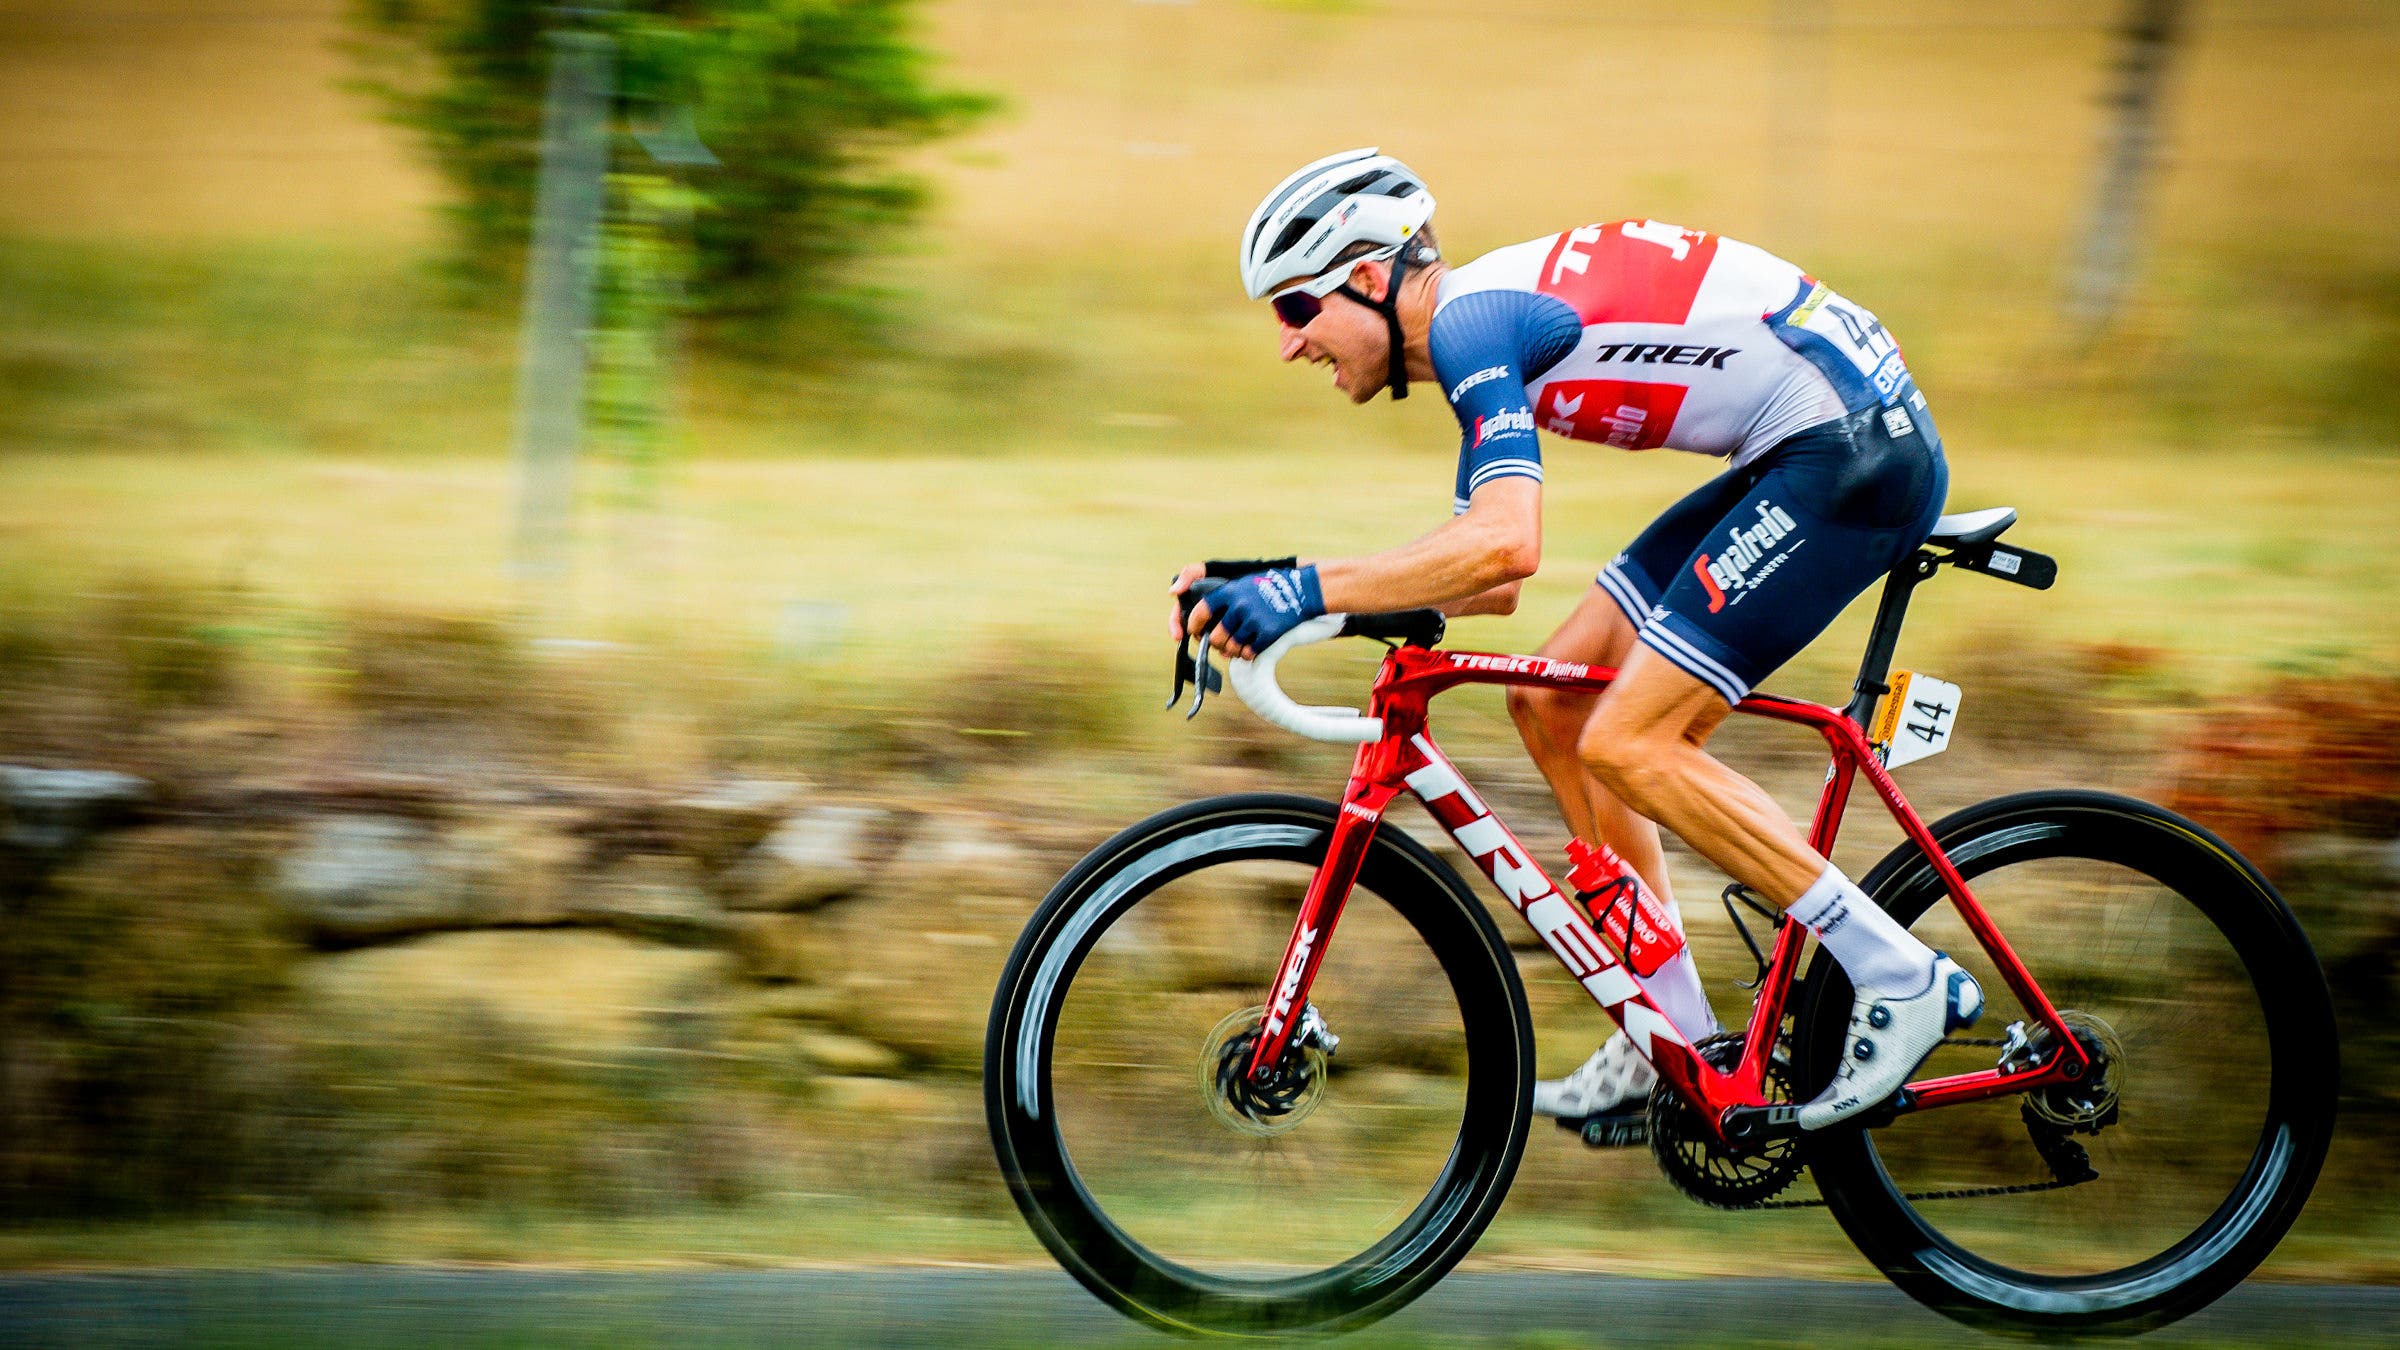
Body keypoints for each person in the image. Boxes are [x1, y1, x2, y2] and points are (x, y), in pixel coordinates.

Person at [1174, 148, 1982, 1134]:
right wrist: (1280, 590)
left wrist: (1299, 592)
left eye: (1296, 310)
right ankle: (1670, 1035)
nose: (1289, 345)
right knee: (1556, 700)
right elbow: (1493, 584)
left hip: (1851, 451)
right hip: (1800, 445)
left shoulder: (1473, 325)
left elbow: (1504, 543)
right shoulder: (1475, 331)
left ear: (1370, 278)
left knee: (1631, 740)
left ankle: (1899, 974)